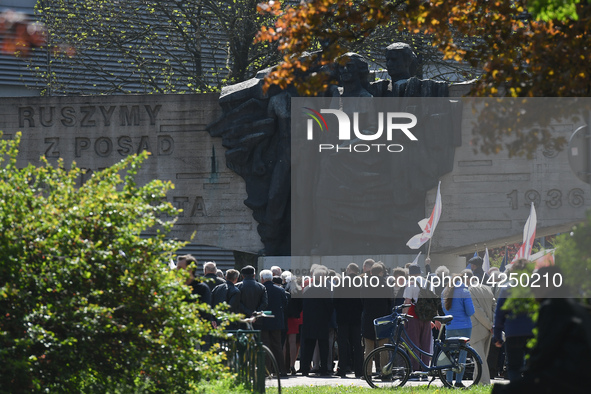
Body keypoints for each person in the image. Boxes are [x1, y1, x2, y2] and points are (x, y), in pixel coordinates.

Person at [492, 266, 591, 393]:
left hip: (566, 376)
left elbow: (545, 350)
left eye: (535, 284)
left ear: (548, 284)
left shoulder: (552, 306)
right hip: (577, 372)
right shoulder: (572, 304)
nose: (532, 289)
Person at [492, 260, 534, 382]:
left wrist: (497, 335)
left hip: (513, 332)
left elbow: (500, 314)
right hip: (533, 332)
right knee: (533, 366)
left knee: (514, 367)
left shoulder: (506, 288)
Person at [441, 273, 475, 388]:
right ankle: (459, 381)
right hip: (465, 326)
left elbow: (444, 310)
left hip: (450, 326)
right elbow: (470, 311)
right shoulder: (465, 292)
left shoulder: (444, 292)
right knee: (462, 354)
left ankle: (448, 381)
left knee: (450, 354)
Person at [299, 266, 334, 376]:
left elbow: (302, 306)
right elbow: (329, 307)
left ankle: (305, 369)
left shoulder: (307, 289)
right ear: (323, 277)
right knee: (323, 347)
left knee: (308, 347)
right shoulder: (325, 290)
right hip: (322, 322)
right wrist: (327, 318)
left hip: (309, 322)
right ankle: (324, 369)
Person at [334, 262, 364, 378]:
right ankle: (358, 370)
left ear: (348, 269)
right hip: (356, 318)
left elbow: (335, 301)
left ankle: (342, 369)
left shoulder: (341, 282)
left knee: (342, 344)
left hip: (343, 318)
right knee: (356, 344)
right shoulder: (361, 282)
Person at [403, 264, 433, 372]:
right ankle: (425, 369)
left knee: (414, 344)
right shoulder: (429, 283)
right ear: (420, 273)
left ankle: (415, 370)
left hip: (413, 317)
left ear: (410, 274)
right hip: (427, 317)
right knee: (426, 344)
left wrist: (403, 317)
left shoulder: (410, 284)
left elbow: (407, 302)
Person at [260, 269, 288, 376]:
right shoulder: (280, 290)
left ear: (262, 278)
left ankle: (267, 371)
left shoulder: (261, 289)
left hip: (264, 321)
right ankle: (282, 370)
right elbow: (285, 304)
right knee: (277, 346)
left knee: (266, 345)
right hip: (277, 321)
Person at [468, 273, 496, 385]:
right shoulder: (488, 289)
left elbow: (477, 311)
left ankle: (484, 382)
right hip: (488, 328)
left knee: (479, 359)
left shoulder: (470, 290)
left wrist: (489, 325)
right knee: (482, 357)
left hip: (477, 328)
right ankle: (477, 382)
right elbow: (495, 307)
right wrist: (492, 325)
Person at [236, 265, 268, 329]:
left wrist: (249, 312)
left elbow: (237, 302)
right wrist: (255, 314)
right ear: (254, 275)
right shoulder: (261, 287)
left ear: (242, 276)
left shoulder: (237, 287)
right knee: (257, 337)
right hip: (257, 319)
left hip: (241, 318)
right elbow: (265, 303)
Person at [284, 277, 303, 376]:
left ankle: (283, 365)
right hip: (295, 319)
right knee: (293, 343)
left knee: (284, 343)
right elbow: (301, 306)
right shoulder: (299, 291)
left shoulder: (284, 291)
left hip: (285, 318)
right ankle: (292, 364)